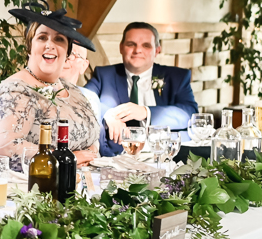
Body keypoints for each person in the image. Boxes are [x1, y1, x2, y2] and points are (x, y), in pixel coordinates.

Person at [0, 1, 100, 171]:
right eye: (42, 37)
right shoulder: (15, 90)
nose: (50, 45)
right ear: (29, 47)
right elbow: (6, 149)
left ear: (67, 52)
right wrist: (66, 159)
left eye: (59, 39)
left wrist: (90, 154)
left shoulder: (73, 90)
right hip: (23, 185)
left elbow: (92, 136)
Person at [84, 22, 198, 156]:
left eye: (146, 45)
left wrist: (146, 112)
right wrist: (108, 114)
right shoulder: (105, 75)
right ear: (121, 47)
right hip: (119, 155)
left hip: (165, 153)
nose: (137, 50)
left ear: (157, 50)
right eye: (131, 44)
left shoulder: (176, 77)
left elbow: (190, 113)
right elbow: (84, 98)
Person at [59, 44, 102, 120]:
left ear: (84, 66)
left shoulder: (90, 99)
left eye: (72, 54)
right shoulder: (38, 92)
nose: (65, 59)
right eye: (61, 53)